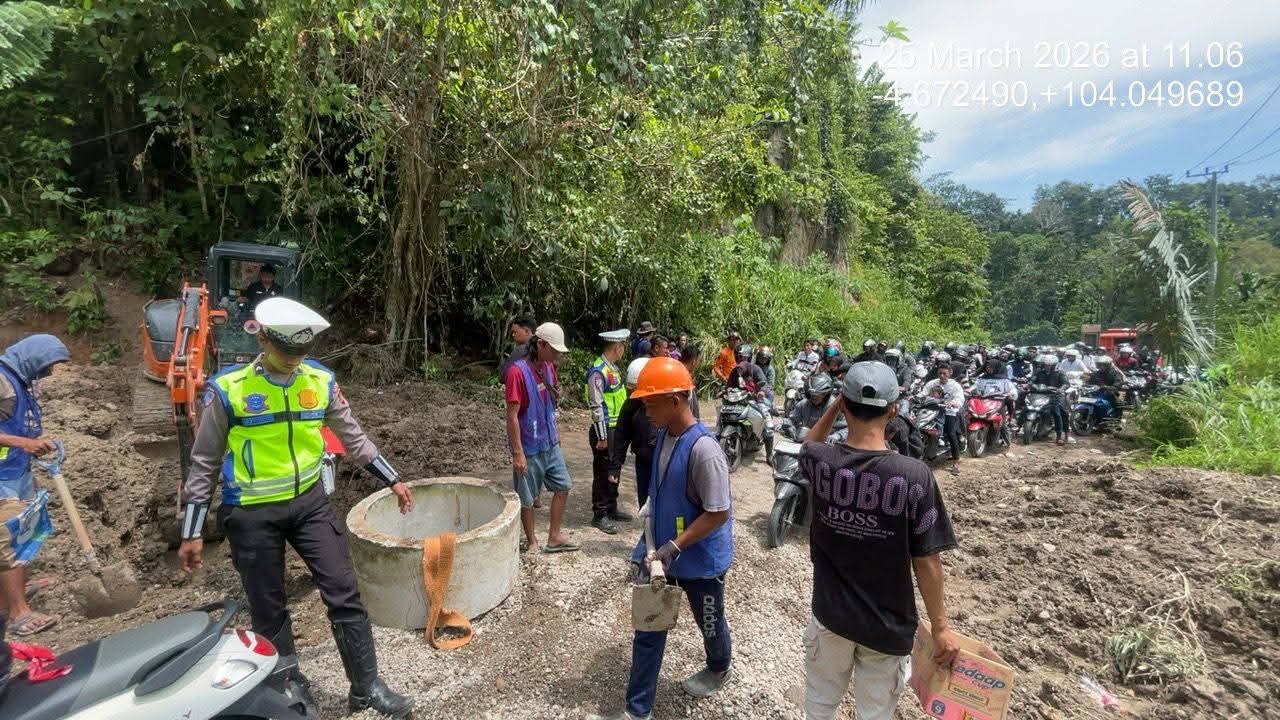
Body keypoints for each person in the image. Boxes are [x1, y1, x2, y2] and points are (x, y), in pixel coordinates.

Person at [177, 298, 413, 717]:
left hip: (310, 504)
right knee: (268, 606)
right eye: (285, 353)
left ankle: (367, 685)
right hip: (251, 512)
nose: (293, 362)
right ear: (262, 338)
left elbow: (353, 438)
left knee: (343, 591)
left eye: (300, 354)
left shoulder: (320, 381)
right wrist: (192, 530)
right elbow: (205, 460)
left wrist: (393, 478)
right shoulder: (228, 389)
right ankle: (286, 686)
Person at [799, 362, 960, 720]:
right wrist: (941, 627)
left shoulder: (820, 460)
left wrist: (833, 407)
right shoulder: (914, 475)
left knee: (820, 706)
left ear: (843, 403)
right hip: (886, 628)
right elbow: (926, 560)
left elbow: (809, 442)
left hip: (831, 617)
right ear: (894, 410)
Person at [594, 358, 734, 720]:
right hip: (664, 557)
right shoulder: (662, 436)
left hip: (700, 562)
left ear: (676, 400)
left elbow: (718, 512)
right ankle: (637, 710)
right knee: (649, 628)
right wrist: (649, 542)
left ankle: (719, 666)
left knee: (710, 621)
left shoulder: (704, 451)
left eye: (650, 402)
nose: (644, 409)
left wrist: (675, 545)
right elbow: (659, 491)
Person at [0, 335, 69, 637]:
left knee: (24, 535)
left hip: (16, 470)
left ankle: (18, 589)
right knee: (7, 541)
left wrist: (37, 445)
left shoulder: (21, 382)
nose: (49, 373)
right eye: (47, 365)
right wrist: (24, 443)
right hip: (2, 476)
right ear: (32, 358)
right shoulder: (2, 380)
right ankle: (17, 612)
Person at [504, 322, 579, 554]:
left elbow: (551, 393)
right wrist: (518, 453)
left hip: (549, 441)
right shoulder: (517, 372)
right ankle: (532, 542)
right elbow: (512, 415)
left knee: (563, 485)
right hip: (529, 446)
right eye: (554, 350)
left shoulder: (548, 367)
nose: (556, 355)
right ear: (541, 344)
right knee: (527, 498)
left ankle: (554, 536)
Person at [585, 330, 633, 535]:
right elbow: (596, 407)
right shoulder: (598, 372)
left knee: (615, 468)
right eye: (623, 346)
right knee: (603, 472)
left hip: (617, 428)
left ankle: (611, 507)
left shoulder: (613, 368)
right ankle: (600, 513)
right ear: (617, 347)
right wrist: (603, 437)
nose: (623, 350)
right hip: (605, 432)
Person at [610, 358, 656, 508]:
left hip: (664, 461)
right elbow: (622, 434)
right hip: (643, 461)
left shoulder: (666, 402)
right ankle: (648, 530)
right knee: (645, 504)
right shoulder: (632, 403)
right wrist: (615, 466)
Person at [921, 363, 964, 473]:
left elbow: (960, 399)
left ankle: (956, 462)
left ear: (950, 373)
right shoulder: (932, 383)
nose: (942, 375)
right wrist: (915, 397)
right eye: (940, 373)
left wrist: (953, 403)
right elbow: (923, 393)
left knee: (950, 433)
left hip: (949, 412)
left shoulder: (955, 385)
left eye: (944, 373)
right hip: (932, 410)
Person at [974, 358, 1019, 446]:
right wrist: (969, 390)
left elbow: (1013, 391)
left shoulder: (1005, 380)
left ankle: (1006, 435)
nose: (988, 369)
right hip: (983, 401)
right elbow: (975, 387)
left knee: (1002, 422)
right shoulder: (981, 379)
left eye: (990, 367)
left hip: (998, 402)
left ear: (996, 367)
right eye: (987, 367)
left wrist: (1010, 394)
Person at [788, 373, 846, 442]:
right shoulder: (802, 405)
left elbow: (848, 428)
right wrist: (789, 427)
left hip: (829, 446)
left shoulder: (837, 407)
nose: (814, 397)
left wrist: (837, 436)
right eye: (812, 394)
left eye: (818, 394)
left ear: (825, 394)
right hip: (806, 443)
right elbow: (792, 421)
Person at [1029, 353, 1070, 445]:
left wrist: (1061, 389)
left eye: (1049, 365)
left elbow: (1066, 383)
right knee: (1027, 407)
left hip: (1055, 395)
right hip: (1040, 394)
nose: (1047, 366)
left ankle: (1061, 435)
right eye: (1046, 364)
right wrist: (1029, 384)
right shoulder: (1039, 372)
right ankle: (1018, 426)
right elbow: (1032, 380)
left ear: (1054, 365)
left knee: (1059, 412)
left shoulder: (1060, 373)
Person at [499, 316, 537, 380]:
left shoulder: (521, 350)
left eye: (515, 332)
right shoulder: (541, 348)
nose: (513, 335)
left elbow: (503, 376)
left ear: (526, 331)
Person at [1090, 355, 1127, 419]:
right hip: (1099, 391)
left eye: (1103, 365)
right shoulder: (1096, 373)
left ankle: (1117, 420)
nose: (1101, 367)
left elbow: (1118, 382)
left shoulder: (1115, 372)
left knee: (1119, 403)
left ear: (1108, 365)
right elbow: (1090, 381)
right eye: (1099, 365)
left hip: (1114, 391)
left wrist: (1112, 387)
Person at [678, 344, 704, 420]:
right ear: (694, 361)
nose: (698, 364)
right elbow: (689, 404)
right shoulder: (684, 376)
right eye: (699, 361)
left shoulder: (680, 371)